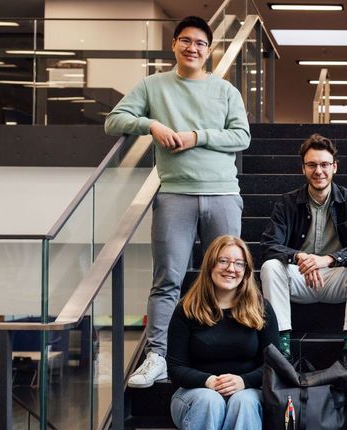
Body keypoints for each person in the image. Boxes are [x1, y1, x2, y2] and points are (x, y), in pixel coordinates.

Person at [104, 16, 251, 388]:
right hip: (174, 193)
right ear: (174, 45)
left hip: (222, 193)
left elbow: (242, 137)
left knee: (230, 277)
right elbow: (114, 120)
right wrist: (151, 125)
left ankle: (231, 351)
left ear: (209, 50)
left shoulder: (226, 91)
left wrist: (196, 136)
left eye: (200, 43)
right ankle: (158, 355)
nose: (193, 48)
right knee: (167, 278)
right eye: (186, 41)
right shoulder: (153, 86)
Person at [260, 133, 347, 377]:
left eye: (324, 164)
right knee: (271, 266)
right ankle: (282, 349)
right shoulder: (287, 203)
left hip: (335, 278)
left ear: (334, 167)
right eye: (312, 165)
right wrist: (300, 258)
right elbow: (270, 244)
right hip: (301, 278)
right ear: (303, 168)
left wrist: (327, 260)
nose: (318, 170)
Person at [166, 235, 279, 430]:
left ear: (246, 271)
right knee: (210, 400)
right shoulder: (187, 309)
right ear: (210, 265)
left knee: (242, 401)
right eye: (223, 261)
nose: (231, 269)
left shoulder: (261, 309)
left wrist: (243, 381)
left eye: (239, 264)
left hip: (248, 393)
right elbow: (175, 369)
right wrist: (208, 381)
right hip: (195, 394)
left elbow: (275, 365)